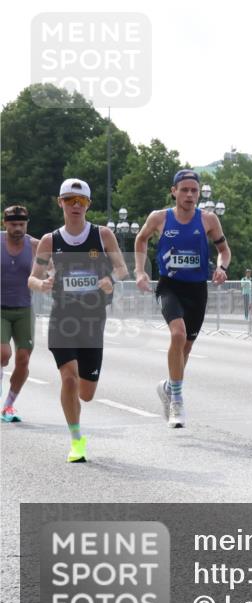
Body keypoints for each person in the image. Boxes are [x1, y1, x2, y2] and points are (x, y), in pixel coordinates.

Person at [27, 179, 128, 462]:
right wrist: (42, 284)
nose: (75, 205)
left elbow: (122, 268)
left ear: (88, 205)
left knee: (86, 394)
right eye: (69, 199)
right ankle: (76, 440)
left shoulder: (102, 235)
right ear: (60, 202)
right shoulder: (50, 241)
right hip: (62, 318)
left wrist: (110, 279)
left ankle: (77, 423)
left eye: (80, 201)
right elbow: (32, 278)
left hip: (93, 320)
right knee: (68, 380)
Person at [134, 169, 231, 428]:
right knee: (177, 334)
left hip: (197, 289)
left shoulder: (208, 220)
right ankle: (177, 401)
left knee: (185, 349)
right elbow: (141, 239)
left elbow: (224, 250)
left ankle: (168, 386)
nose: (190, 195)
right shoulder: (159, 218)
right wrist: (140, 271)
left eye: (194, 190)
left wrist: (222, 268)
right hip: (170, 286)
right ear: (174, 191)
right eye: (184, 190)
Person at [1, 205, 39, 423]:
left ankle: (8, 406)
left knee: (23, 360)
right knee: (3, 354)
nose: (18, 228)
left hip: (24, 309)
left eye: (21, 224)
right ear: (5, 224)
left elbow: (51, 268)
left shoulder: (34, 245)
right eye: (13, 224)